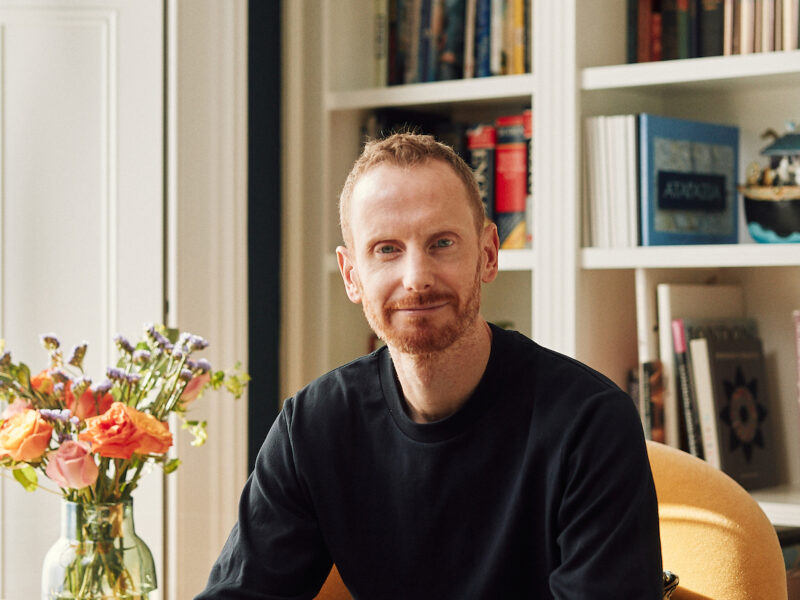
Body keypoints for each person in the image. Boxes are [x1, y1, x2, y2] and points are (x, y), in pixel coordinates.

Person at [195, 133, 663, 599]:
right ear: (351, 275)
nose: (416, 277)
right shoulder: (313, 426)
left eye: (441, 243)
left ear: (487, 254)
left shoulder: (591, 424)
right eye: (386, 249)